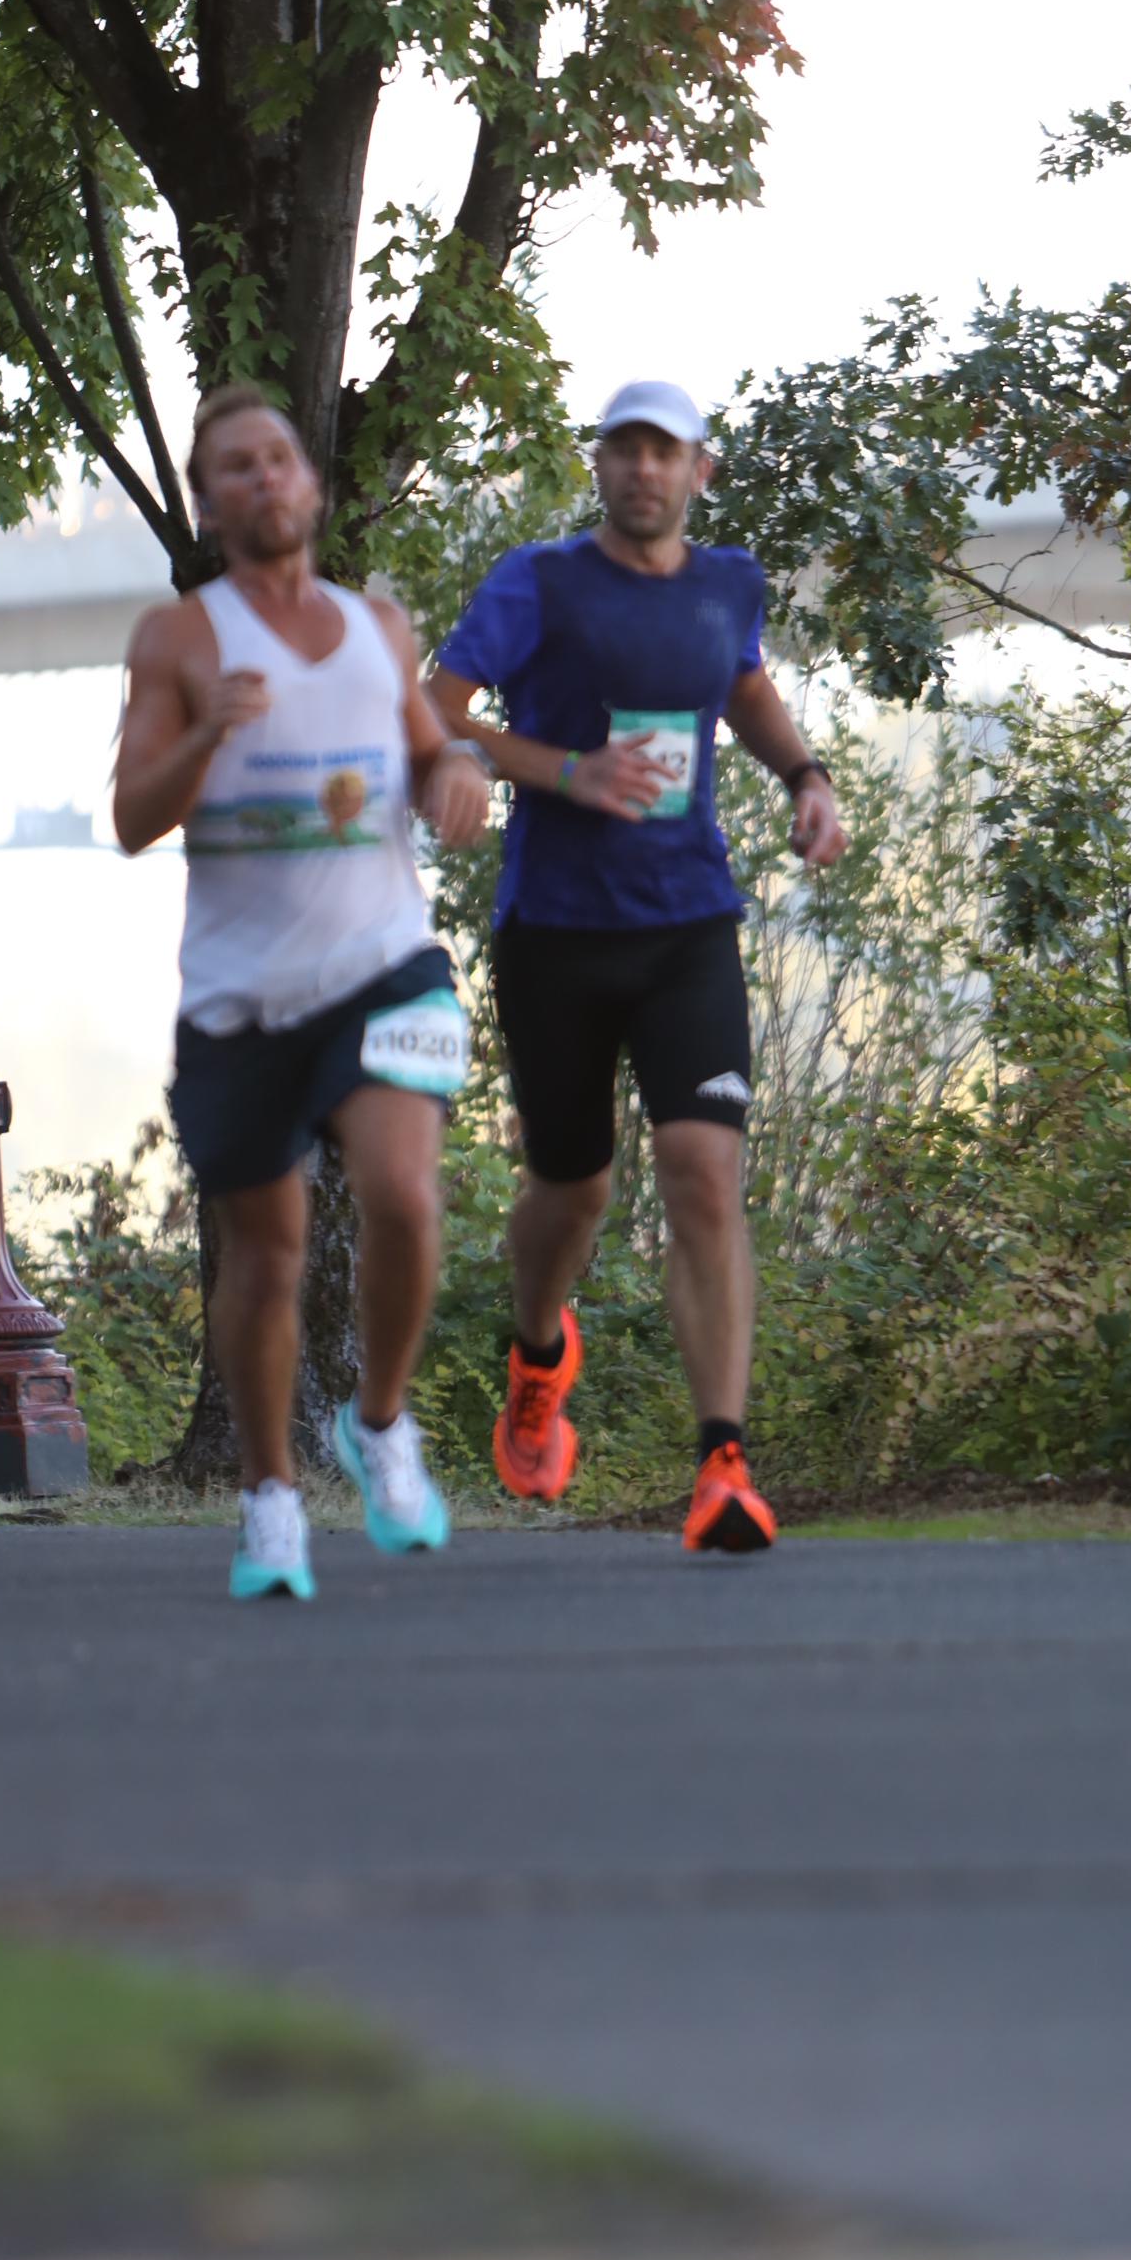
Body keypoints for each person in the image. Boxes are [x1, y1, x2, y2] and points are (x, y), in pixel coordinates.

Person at [429, 377, 844, 1552]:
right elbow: (439, 708)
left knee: (701, 1169)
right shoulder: (538, 581)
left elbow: (742, 681)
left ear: (699, 471)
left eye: (665, 452)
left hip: (685, 925)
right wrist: (566, 772)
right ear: (599, 464)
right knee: (573, 1192)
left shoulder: (728, 584)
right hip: (555, 932)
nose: (643, 470)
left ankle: (722, 1465)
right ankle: (536, 1356)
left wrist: (804, 775)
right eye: (624, 450)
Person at [114, 383, 491, 1601]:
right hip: (239, 999)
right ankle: (269, 1496)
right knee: (266, 1258)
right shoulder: (178, 640)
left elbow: (431, 753)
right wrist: (204, 736)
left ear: (311, 485)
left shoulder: (379, 627)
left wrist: (456, 775)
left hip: (383, 964)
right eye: (236, 465)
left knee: (404, 1193)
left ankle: (377, 1421)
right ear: (208, 504)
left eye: (278, 457)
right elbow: (131, 817)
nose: (264, 478)